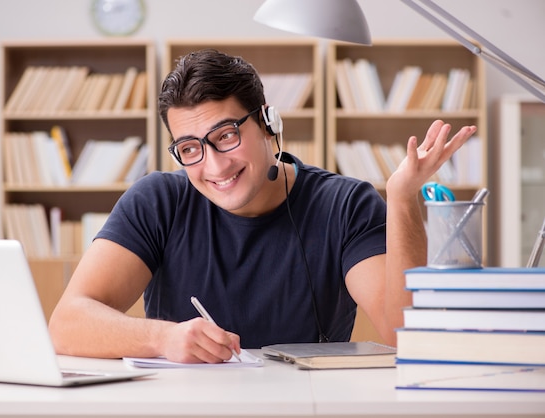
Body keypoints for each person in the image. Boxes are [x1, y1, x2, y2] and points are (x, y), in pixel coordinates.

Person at [48, 49, 477, 363]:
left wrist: (402, 198)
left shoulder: (346, 205)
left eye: (227, 136)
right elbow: (67, 322)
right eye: (190, 148)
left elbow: (406, 338)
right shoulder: (156, 200)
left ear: (268, 125)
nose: (214, 165)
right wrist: (161, 339)